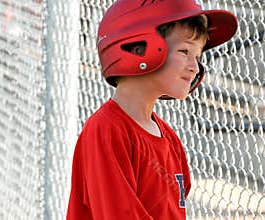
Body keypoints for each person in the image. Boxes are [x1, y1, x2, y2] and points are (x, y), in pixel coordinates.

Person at [67, 0, 238, 219]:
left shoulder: (170, 139)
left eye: (197, 56)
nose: (195, 66)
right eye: (185, 51)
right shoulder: (106, 131)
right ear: (137, 48)